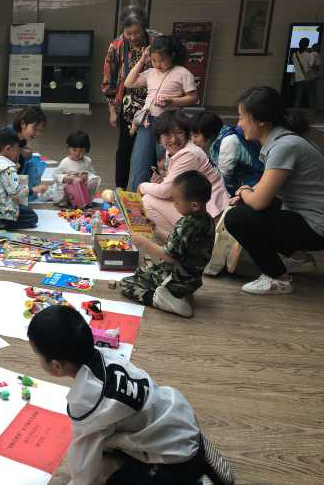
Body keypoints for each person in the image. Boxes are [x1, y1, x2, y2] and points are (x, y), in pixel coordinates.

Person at [27, 305, 234, 485]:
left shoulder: (87, 401)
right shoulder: (105, 355)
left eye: (37, 355)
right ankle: (195, 448)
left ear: (56, 366)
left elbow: (84, 461)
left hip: (173, 456)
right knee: (111, 444)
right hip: (177, 415)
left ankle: (195, 476)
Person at [224, 86, 324, 295]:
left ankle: (279, 278)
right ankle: (298, 257)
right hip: (307, 215)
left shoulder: (283, 146)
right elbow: (265, 189)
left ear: (261, 120)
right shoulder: (284, 140)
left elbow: (259, 201)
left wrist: (243, 192)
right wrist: (247, 193)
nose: (239, 124)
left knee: (237, 218)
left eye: (242, 117)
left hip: (317, 224)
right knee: (247, 207)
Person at [121, 170, 215, 317]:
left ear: (194, 205)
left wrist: (144, 243)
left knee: (126, 284)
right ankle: (179, 295)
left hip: (176, 278)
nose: (174, 205)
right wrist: (156, 229)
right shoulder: (206, 219)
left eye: (176, 202)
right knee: (142, 271)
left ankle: (159, 300)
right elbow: (178, 245)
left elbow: (170, 256)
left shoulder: (187, 224)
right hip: (191, 279)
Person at [137, 111, 229, 239]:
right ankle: (178, 243)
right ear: (159, 139)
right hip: (199, 206)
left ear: (186, 133)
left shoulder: (188, 154)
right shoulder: (176, 151)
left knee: (146, 201)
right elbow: (173, 186)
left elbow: (165, 191)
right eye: (167, 134)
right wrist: (162, 181)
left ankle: (180, 245)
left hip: (210, 216)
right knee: (151, 197)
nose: (173, 139)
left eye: (179, 132)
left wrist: (142, 186)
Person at [124, 35, 199, 191]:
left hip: (169, 124)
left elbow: (193, 97)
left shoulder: (183, 73)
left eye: (162, 60)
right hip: (147, 121)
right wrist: (142, 61)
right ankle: (137, 196)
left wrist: (172, 101)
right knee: (140, 161)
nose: (158, 64)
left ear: (172, 55)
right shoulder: (151, 72)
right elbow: (128, 83)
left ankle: (164, 193)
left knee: (164, 163)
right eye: (154, 60)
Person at [102, 6, 160, 189]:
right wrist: (113, 111)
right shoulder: (117, 45)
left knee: (152, 148)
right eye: (129, 33)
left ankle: (151, 188)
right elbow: (109, 80)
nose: (133, 37)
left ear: (144, 27)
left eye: (137, 32)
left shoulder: (157, 41)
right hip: (128, 104)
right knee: (125, 147)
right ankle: (120, 187)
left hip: (155, 103)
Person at [0, 127, 38, 230]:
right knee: (31, 216)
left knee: (21, 209)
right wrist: (33, 190)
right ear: (8, 149)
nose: (18, 154)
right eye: (17, 150)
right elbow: (16, 191)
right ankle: (0, 222)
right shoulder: (7, 166)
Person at [189, 110, 263, 196]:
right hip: (242, 183)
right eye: (191, 136)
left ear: (209, 133)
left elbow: (224, 177)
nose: (193, 140)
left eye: (196, 136)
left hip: (253, 185)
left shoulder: (228, 142)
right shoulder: (219, 139)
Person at [33, 130, 101, 206]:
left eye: (81, 150)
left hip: (80, 188)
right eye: (74, 150)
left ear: (86, 149)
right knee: (58, 189)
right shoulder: (65, 162)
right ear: (68, 148)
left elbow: (92, 173)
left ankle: (85, 199)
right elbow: (55, 175)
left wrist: (87, 174)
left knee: (94, 180)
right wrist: (67, 178)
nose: (78, 153)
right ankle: (58, 197)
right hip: (67, 189)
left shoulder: (87, 161)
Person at [292, 37, 320, 109]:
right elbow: (312, 66)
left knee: (298, 98)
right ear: (307, 45)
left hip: (298, 78)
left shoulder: (294, 55)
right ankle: (312, 112)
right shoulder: (308, 55)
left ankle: (295, 112)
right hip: (308, 78)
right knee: (311, 96)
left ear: (299, 43)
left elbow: (295, 67)